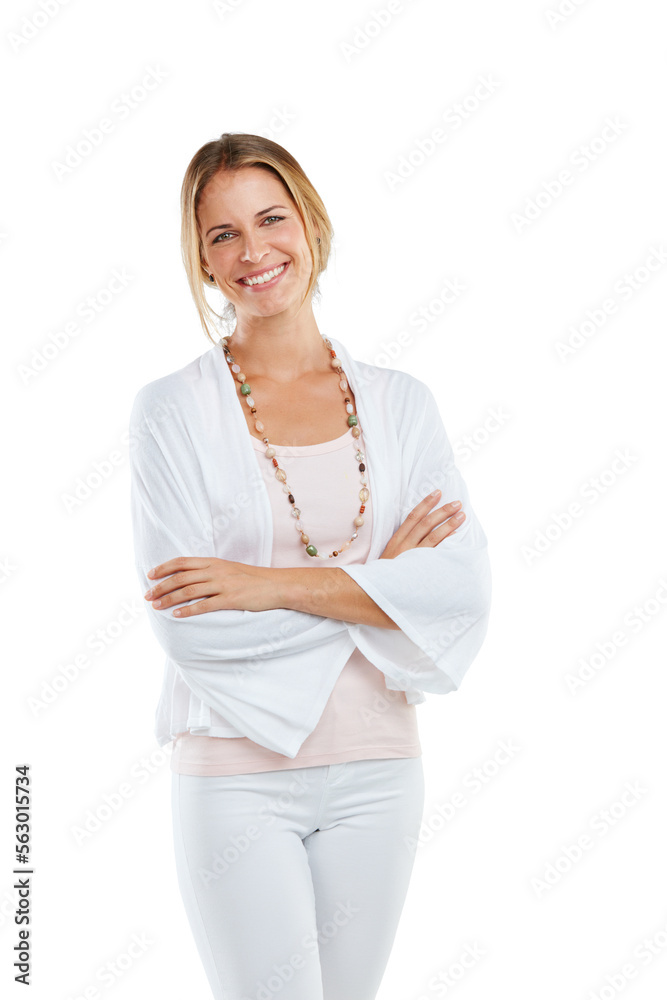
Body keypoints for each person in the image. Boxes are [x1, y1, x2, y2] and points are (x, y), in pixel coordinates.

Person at [128, 132, 492, 1000]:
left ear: (311, 226)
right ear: (202, 261)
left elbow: (459, 594)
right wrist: (379, 590)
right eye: (220, 236)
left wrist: (264, 585)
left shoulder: (402, 405)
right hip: (235, 776)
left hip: (380, 769)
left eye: (269, 219)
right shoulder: (171, 412)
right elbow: (189, 627)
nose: (253, 252)